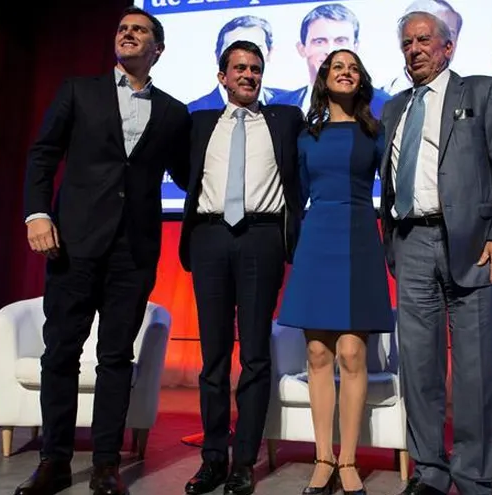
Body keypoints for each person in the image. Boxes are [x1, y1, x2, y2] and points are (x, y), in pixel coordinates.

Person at [18, 6, 190, 495]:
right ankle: (53, 460)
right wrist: (37, 214)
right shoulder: (79, 90)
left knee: (117, 357)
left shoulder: (174, 112)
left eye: (141, 30)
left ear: (158, 49)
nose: (129, 34)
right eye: (123, 29)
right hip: (73, 243)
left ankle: (107, 465)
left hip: (133, 250)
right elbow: (43, 153)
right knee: (62, 352)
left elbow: (186, 175)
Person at [379, 10, 492, 495]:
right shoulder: (393, 109)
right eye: (407, 43)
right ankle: (430, 472)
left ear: (448, 48)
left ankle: (474, 475)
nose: (415, 49)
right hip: (412, 242)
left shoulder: (483, 92)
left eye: (425, 40)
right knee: (418, 367)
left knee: (476, 370)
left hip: (475, 246)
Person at [178, 40, 304, 495]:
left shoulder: (285, 119)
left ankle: (244, 462)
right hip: (210, 236)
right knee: (212, 357)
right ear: (222, 77)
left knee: (253, 355)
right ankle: (213, 457)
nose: (248, 75)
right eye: (239, 68)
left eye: (255, 68)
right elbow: (183, 172)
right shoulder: (199, 123)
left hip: (262, 238)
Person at [278, 49, 394, 495]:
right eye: (336, 67)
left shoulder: (375, 132)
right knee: (318, 355)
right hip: (317, 238)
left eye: (353, 68)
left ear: (361, 81)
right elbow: (297, 192)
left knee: (351, 353)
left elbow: (398, 184)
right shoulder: (306, 135)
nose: (345, 73)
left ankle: (349, 460)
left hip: (360, 236)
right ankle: (323, 458)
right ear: (324, 79)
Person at [270, 3, 390, 118]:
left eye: (340, 41)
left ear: (355, 47)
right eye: (320, 41)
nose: (331, 50)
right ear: (302, 49)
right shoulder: (278, 105)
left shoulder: (383, 104)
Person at [187, 15, 287, 112]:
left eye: (255, 49)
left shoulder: (289, 104)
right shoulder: (193, 112)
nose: (245, 58)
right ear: (218, 56)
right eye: (235, 49)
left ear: (269, 54)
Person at [380, 0, 463, 95]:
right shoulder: (383, 102)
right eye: (408, 42)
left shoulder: (473, 95)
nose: (415, 49)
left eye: (451, 34)